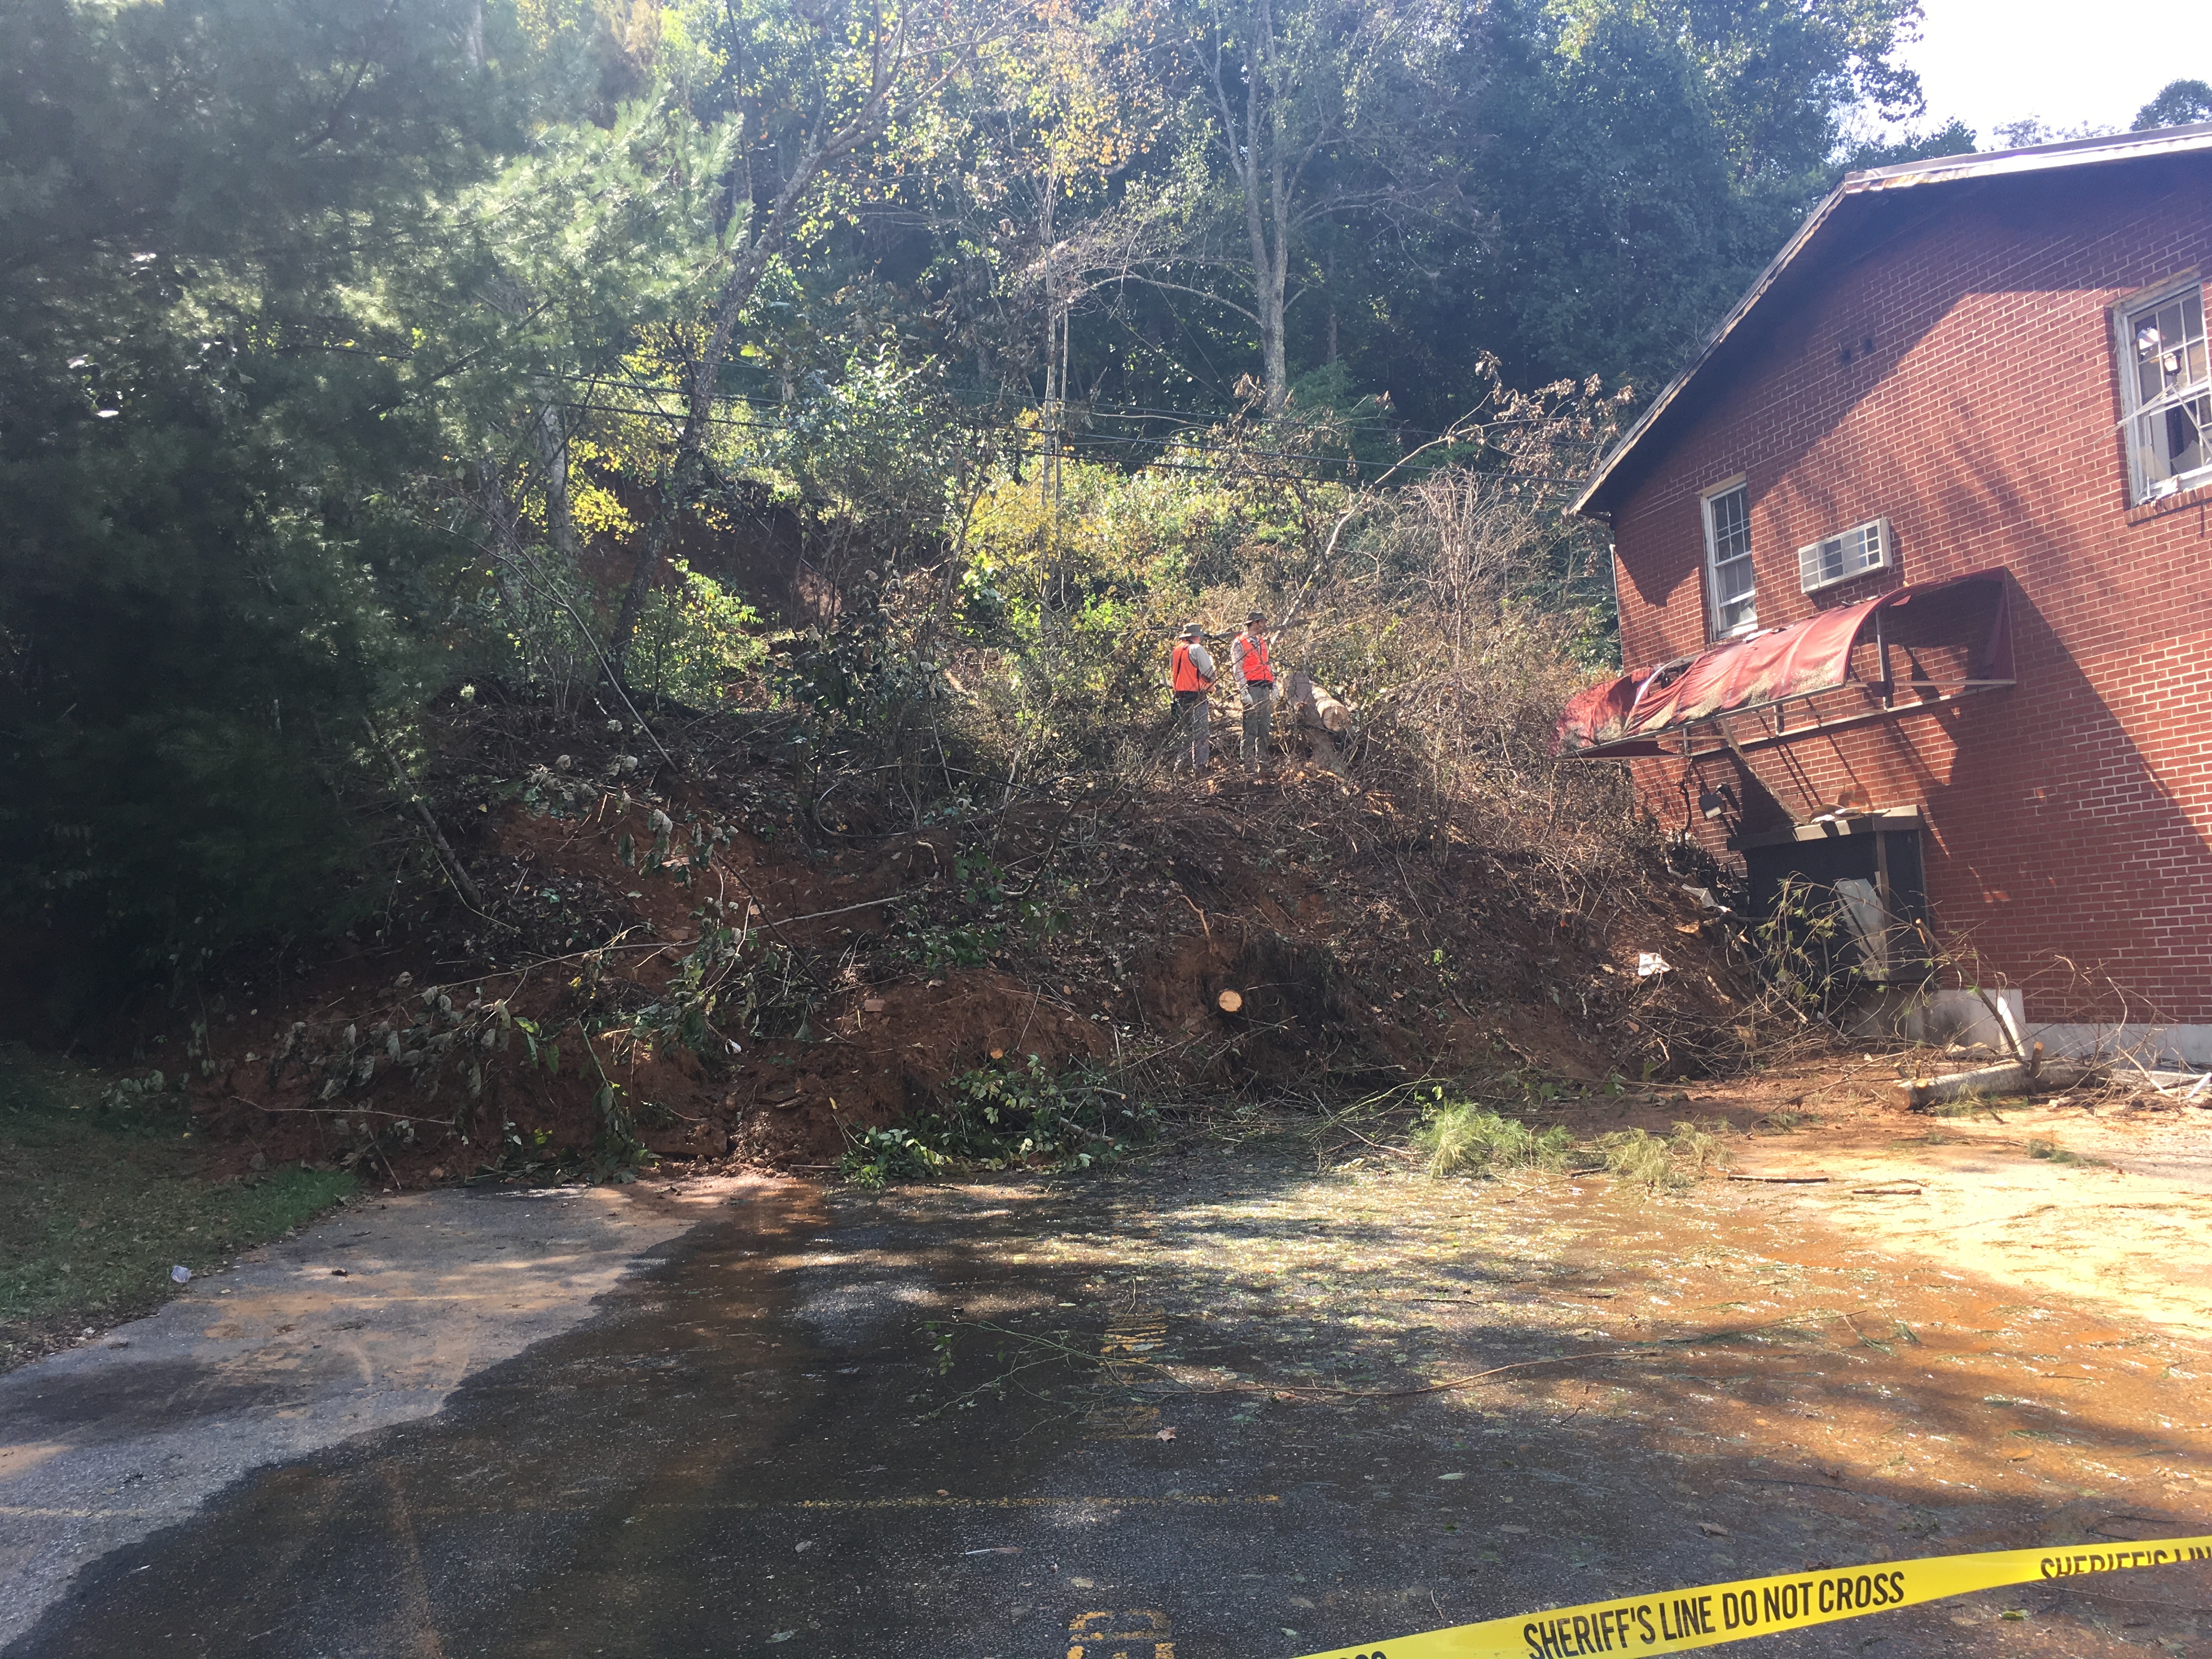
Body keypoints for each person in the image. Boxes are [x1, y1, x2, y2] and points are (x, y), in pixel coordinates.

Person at [1231, 610, 1276, 776]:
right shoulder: (1239, 642)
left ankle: (1265, 765)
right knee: (1250, 729)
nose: (1264, 625)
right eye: (1262, 622)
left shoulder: (1262, 642)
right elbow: (1238, 669)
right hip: (1251, 688)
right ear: (1255, 623)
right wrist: (1244, 691)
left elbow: (1267, 665)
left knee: (1264, 728)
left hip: (1264, 688)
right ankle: (1249, 767)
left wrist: (1274, 687)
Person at [1169, 623, 1215, 772]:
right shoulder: (1197, 649)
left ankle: (1180, 769)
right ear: (1197, 636)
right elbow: (1209, 674)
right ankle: (1200, 769)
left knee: (1186, 734)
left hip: (1180, 698)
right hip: (1196, 697)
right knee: (1201, 734)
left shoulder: (1176, 650)